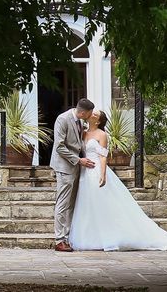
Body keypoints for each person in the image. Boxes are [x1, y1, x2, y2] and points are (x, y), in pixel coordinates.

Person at [69, 108, 167, 251]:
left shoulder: (102, 134)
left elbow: (103, 156)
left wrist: (103, 174)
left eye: (95, 114)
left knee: (102, 205)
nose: (91, 114)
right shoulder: (84, 132)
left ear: (98, 120)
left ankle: (110, 236)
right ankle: (91, 237)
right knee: (87, 205)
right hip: (84, 173)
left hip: (96, 171)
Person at [49, 98, 96, 252]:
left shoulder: (80, 122)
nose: (90, 116)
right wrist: (79, 160)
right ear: (83, 112)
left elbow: (79, 144)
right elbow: (59, 147)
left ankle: (67, 237)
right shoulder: (63, 119)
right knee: (62, 203)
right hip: (64, 167)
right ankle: (59, 240)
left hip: (76, 167)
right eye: (89, 114)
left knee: (71, 203)